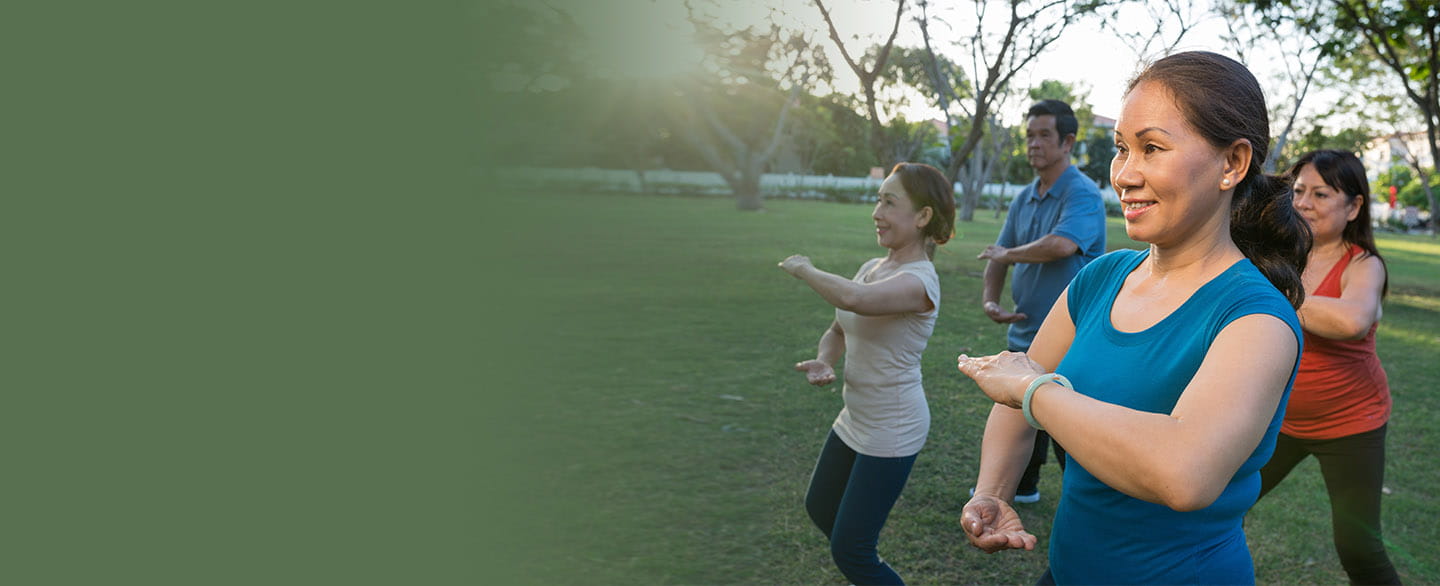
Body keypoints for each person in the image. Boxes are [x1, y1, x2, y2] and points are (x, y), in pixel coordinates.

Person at [954, 51, 1311, 584]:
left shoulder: (1257, 318)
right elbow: (1013, 405)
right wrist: (992, 491)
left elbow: (1185, 474)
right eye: (1122, 148)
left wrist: (1034, 392)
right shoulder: (1100, 278)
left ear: (1232, 164)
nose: (1124, 174)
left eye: (1152, 148)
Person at [779, 162, 956, 585]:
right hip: (855, 416)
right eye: (878, 201)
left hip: (892, 427)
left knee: (853, 550)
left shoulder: (919, 282)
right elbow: (839, 328)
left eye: (889, 203)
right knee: (821, 508)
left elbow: (854, 299)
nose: (877, 212)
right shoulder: (872, 267)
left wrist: (806, 269)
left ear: (923, 216)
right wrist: (826, 359)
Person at [1254, 149, 1401, 584]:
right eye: (1299, 191)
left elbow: (1352, 321)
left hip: (1351, 424)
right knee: (1217, 504)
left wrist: (1276, 296)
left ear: (1353, 207)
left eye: (1320, 194)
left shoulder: (1363, 264)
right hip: (1280, 420)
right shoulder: (1279, 253)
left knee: (1359, 548)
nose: (1303, 203)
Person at [978, 99, 1107, 503]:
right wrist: (990, 300)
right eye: (1030, 135)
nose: (1034, 144)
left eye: (1044, 135)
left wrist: (1007, 254)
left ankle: (1087, 501)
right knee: (1020, 410)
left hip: (1073, 337)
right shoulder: (1025, 197)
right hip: (1026, 330)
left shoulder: (1082, 193)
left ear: (1067, 142)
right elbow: (999, 253)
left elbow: (1062, 244)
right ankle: (1024, 486)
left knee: (1068, 422)